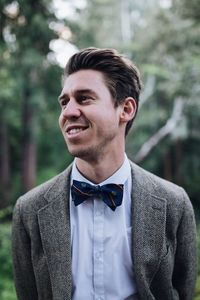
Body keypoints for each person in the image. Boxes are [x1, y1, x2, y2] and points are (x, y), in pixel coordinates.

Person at [12, 47, 197, 300]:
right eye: (64, 102)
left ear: (126, 109)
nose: (68, 112)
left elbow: (182, 291)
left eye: (84, 98)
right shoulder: (29, 210)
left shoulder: (174, 203)